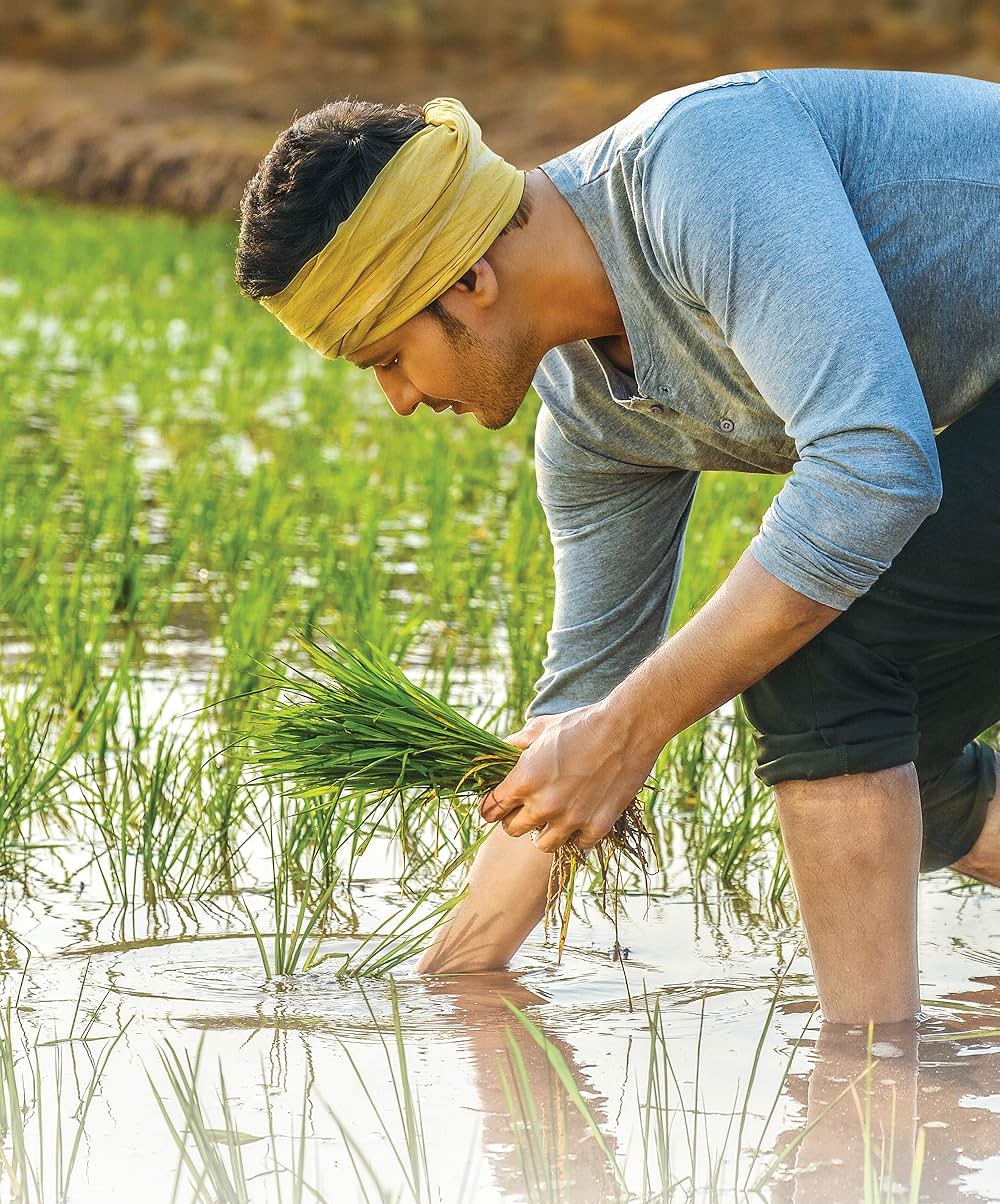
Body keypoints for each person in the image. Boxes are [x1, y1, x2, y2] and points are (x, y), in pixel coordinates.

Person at [235, 69, 1000, 1024]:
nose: (397, 398)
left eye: (388, 357)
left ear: (469, 279)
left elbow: (873, 468)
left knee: (826, 676)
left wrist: (634, 730)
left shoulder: (700, 169)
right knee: (902, 768)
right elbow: (578, 723)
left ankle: (869, 1109)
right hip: (975, 410)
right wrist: (448, 987)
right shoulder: (593, 419)